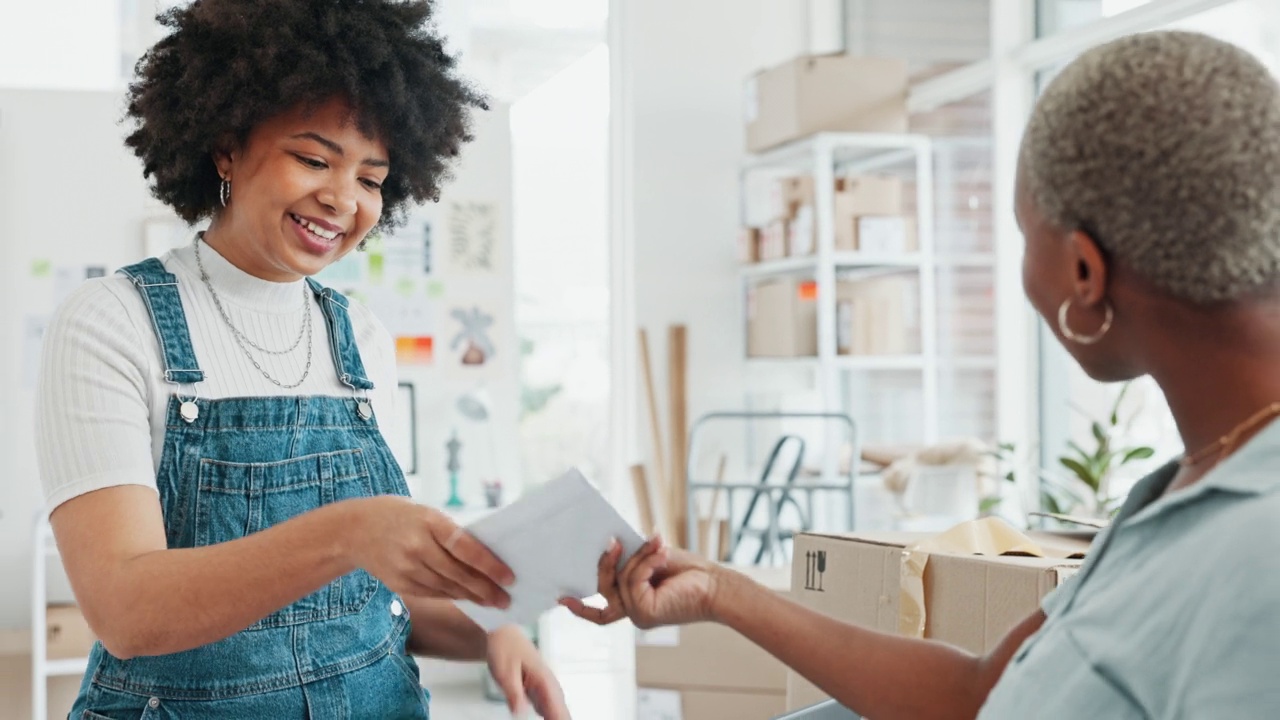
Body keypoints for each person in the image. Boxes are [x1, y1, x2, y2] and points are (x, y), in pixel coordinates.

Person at [564, 30, 1280, 719]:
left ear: (1086, 271)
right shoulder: (1186, 490)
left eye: (1025, 237)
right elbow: (975, 697)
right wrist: (722, 592)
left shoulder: (1258, 552)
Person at [35, 1, 569, 718]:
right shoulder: (113, 322)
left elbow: (365, 604)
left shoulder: (363, 340)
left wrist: (489, 630)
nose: (342, 199)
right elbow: (126, 611)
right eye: (314, 159)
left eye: (372, 179)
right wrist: (351, 531)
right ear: (227, 146)